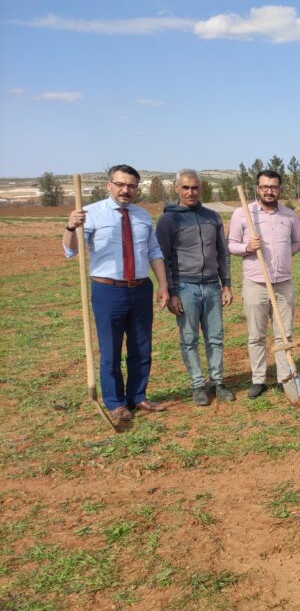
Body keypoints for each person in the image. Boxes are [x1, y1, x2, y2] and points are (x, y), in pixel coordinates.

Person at [63, 164, 170, 421]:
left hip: (141, 289)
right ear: (109, 185)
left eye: (131, 185)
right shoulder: (90, 213)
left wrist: (163, 285)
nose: (125, 190)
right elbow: (71, 250)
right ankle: (115, 402)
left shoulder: (143, 216)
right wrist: (70, 227)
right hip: (108, 290)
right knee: (110, 349)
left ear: (136, 188)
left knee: (141, 346)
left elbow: (154, 252)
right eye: (120, 184)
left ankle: (138, 396)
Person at [156, 169, 234, 406]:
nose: (191, 192)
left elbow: (223, 252)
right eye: (185, 188)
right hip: (185, 288)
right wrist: (170, 292)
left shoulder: (212, 217)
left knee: (216, 337)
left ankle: (217, 382)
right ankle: (198, 385)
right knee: (189, 339)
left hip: (211, 287)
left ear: (201, 189)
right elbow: (163, 258)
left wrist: (227, 284)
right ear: (177, 189)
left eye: (195, 188)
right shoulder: (169, 220)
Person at [228, 169, 300, 399]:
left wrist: (283, 256)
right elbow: (231, 244)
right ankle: (258, 379)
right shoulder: (243, 214)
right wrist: (247, 248)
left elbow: (299, 241)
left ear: (279, 189)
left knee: (284, 333)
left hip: (283, 283)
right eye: (264, 187)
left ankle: (284, 377)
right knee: (256, 334)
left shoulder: (289, 215)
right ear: (258, 189)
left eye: (273, 187)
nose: (269, 191)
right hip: (255, 282)